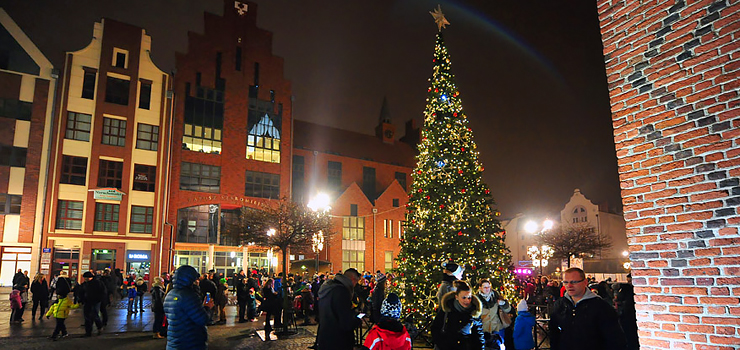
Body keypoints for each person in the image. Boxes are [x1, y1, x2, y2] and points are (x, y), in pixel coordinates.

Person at [549, 268, 626, 350]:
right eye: (566, 282)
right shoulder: (560, 304)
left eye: (574, 282)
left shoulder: (601, 306)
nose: (569, 286)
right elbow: (554, 333)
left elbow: (615, 338)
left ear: (585, 282)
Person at [164, 265, 215, 350]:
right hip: (189, 343)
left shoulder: (170, 294)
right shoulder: (188, 295)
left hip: (174, 342)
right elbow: (202, 319)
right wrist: (207, 307)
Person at [431, 280, 485, 350]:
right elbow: (436, 328)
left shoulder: (474, 312)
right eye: (464, 298)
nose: (467, 301)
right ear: (456, 297)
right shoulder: (447, 309)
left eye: (469, 297)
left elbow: (478, 334)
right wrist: (442, 344)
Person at [317, 268, 363, 350]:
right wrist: (357, 320)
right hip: (338, 340)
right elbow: (345, 322)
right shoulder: (342, 292)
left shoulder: (328, 288)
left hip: (325, 336)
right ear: (353, 279)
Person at [478, 279, 512, 349]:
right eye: (484, 287)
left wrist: (503, 304)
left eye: (488, 287)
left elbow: (508, 309)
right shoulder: (476, 300)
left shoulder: (496, 296)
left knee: (499, 346)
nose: (487, 289)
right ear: (480, 288)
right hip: (484, 329)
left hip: (497, 327)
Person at [615, 274, 639, 350]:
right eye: (628, 281)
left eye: (630, 281)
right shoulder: (628, 289)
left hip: (629, 315)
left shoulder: (627, 289)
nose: (629, 283)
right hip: (629, 315)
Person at [80, 271, 105, 337]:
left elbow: (102, 292)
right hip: (87, 301)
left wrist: (99, 299)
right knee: (87, 317)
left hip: (95, 301)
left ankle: (99, 327)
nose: (85, 279)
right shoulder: (85, 284)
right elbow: (82, 292)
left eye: (86, 278)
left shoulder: (97, 283)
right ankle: (88, 332)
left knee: (94, 315)